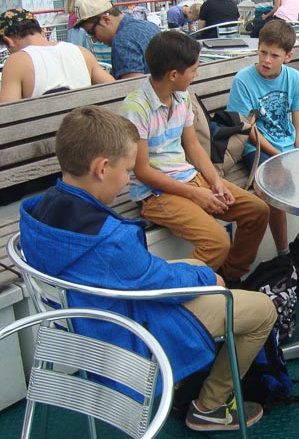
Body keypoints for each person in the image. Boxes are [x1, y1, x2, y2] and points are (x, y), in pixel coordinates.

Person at [18, 105, 276, 432]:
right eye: (127, 170)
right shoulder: (112, 241)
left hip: (85, 319)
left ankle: (186, 376)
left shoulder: (36, 214)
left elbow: (137, 273)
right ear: (102, 168)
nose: (129, 179)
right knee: (262, 310)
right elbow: (157, 282)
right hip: (128, 331)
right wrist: (207, 278)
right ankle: (209, 406)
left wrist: (199, 272)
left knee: (197, 264)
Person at [119, 31, 270, 284]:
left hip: (190, 178)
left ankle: (229, 278)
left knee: (257, 210)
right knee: (217, 242)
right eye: (193, 70)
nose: (196, 74)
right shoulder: (136, 108)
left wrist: (215, 182)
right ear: (173, 75)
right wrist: (194, 194)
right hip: (155, 193)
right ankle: (177, 290)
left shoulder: (182, 97)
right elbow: (142, 171)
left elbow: (193, 147)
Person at [227, 20, 299, 282]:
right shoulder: (243, 80)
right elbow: (248, 129)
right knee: (275, 185)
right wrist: (279, 156)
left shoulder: (294, 78)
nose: (266, 60)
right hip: (258, 148)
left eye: (274, 55)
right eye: (263, 52)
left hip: (288, 145)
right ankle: (285, 257)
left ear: (288, 56)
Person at [0, 8, 113, 102]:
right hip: (84, 120)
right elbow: (113, 88)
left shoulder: (16, 62)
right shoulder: (82, 52)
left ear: (9, 41)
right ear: (42, 32)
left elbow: (7, 113)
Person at [74, 0, 160, 79]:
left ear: (106, 20)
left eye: (92, 32)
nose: (94, 40)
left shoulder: (122, 41)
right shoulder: (150, 26)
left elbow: (133, 85)